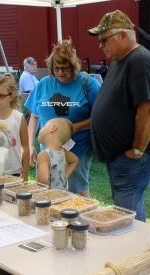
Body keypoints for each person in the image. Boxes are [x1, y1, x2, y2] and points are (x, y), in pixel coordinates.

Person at [88, 10, 150, 221]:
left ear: (123, 35)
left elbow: (148, 110)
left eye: (104, 40)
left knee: (126, 210)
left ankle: (135, 249)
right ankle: (133, 246)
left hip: (135, 156)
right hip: (121, 155)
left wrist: (137, 149)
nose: (100, 45)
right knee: (127, 205)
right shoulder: (121, 60)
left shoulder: (141, 62)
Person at [25, 39, 101, 197]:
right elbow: (34, 116)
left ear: (74, 66)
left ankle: (81, 218)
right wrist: (30, 144)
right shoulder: (44, 83)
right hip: (48, 148)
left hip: (78, 147)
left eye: (65, 68)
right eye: (56, 68)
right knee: (48, 187)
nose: (60, 72)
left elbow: (101, 116)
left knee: (77, 188)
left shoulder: (88, 84)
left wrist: (73, 127)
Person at [37, 118, 79, 190]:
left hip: (47, 198)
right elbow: (75, 160)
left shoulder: (43, 155)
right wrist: (65, 175)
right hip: (62, 194)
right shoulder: (63, 152)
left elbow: (42, 181)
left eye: (44, 126)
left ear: (53, 128)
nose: (41, 128)